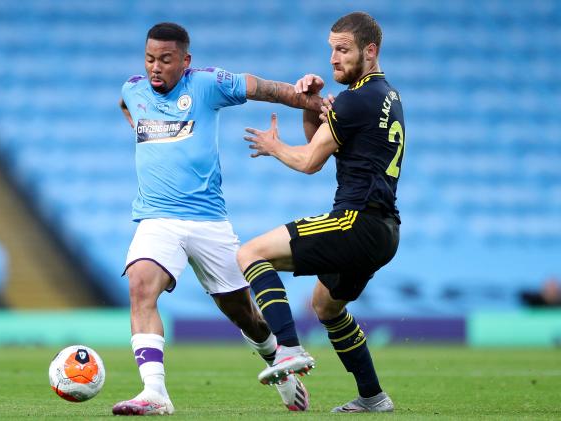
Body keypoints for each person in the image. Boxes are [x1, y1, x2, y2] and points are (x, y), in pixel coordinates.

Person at [112, 22, 323, 416]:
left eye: (166, 60)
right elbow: (127, 104)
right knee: (141, 285)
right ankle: (154, 392)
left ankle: (278, 365)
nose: (156, 67)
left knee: (245, 315)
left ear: (185, 61)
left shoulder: (208, 84)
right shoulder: (133, 89)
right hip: (157, 219)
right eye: (150, 59)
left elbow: (264, 88)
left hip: (209, 222)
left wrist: (309, 101)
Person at [237, 12, 405, 413]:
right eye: (331, 49)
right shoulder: (386, 96)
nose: (333, 59)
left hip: (356, 220)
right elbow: (324, 139)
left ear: (370, 51)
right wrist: (311, 108)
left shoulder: (356, 100)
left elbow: (311, 160)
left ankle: (289, 349)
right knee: (326, 306)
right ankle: (373, 396)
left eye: (342, 50)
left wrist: (274, 146)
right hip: (384, 229)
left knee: (250, 254)